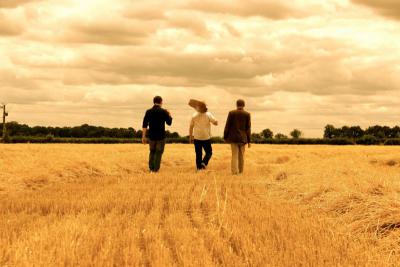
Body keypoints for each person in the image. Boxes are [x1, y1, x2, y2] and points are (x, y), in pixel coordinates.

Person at [142, 96, 173, 173]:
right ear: (161, 102)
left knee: (152, 151)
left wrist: (143, 136)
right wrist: (169, 114)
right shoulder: (163, 111)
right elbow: (169, 123)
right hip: (160, 136)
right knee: (158, 152)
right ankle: (155, 169)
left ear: (154, 102)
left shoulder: (148, 111)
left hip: (151, 136)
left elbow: (144, 124)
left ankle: (151, 168)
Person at [224, 99, 251, 175]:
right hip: (243, 139)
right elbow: (248, 128)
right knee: (241, 156)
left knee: (234, 156)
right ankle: (241, 172)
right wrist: (249, 141)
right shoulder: (247, 114)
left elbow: (227, 126)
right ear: (244, 105)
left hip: (233, 138)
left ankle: (234, 172)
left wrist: (225, 137)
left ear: (236, 104)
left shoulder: (231, 113)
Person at [189, 101, 218, 171]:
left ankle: (199, 168)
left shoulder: (194, 115)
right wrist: (216, 122)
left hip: (197, 137)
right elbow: (215, 123)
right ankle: (204, 162)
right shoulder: (208, 114)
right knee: (209, 152)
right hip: (206, 137)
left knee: (198, 154)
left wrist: (190, 136)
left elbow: (191, 127)